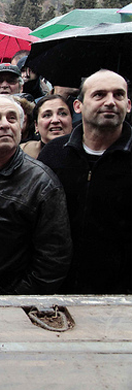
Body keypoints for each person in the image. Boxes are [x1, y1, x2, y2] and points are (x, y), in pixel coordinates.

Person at [0, 95, 72, 294]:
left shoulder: (42, 183)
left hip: (5, 304)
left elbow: (53, 260)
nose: (5, 125)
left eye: (12, 118)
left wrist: (14, 298)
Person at [38, 69, 132, 294]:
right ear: (78, 106)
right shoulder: (54, 154)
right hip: (57, 290)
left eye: (118, 95)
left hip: (122, 297)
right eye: (99, 95)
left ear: (128, 105)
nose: (110, 102)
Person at [20, 95, 73, 159]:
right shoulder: (23, 154)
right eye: (47, 115)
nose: (55, 120)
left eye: (62, 113)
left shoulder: (85, 151)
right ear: (36, 125)